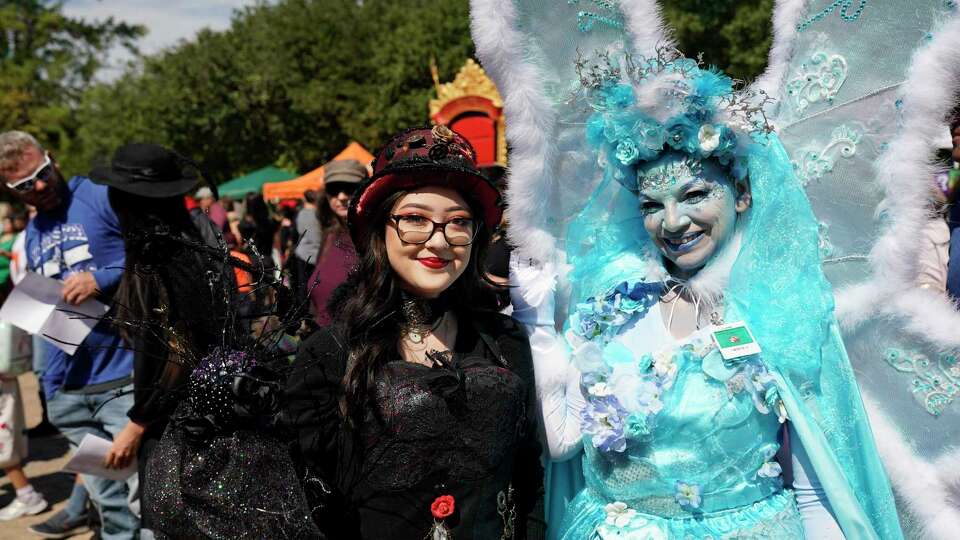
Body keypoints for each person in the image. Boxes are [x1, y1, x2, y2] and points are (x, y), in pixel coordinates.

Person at [476, 41, 902, 538]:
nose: (673, 222)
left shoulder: (787, 312)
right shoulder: (610, 306)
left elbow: (816, 491)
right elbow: (565, 443)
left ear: (741, 193)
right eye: (653, 204)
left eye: (696, 194)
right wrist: (540, 327)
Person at [285, 125, 544, 539]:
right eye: (414, 220)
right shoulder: (330, 354)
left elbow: (529, 480)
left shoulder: (506, 341)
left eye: (458, 222)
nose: (438, 242)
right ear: (378, 230)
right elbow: (309, 506)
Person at [0, 130, 140, 539]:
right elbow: (49, 318)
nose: (39, 186)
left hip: (124, 383)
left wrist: (101, 277)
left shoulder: (99, 194)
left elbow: (156, 252)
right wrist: (54, 390)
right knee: (109, 504)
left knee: (144, 500)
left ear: (52, 158)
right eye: (24, 185)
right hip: (76, 399)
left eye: (42, 173)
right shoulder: (33, 233)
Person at [306, 159, 366, 326]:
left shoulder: (376, 237)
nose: (341, 197)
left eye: (349, 188)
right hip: (323, 341)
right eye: (333, 190)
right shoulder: (330, 235)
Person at [290, 189, 321, 299]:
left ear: (304, 198)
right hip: (319, 254)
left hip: (303, 254)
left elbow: (295, 234)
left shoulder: (299, 214)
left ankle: (303, 311)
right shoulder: (321, 214)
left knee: (303, 284)